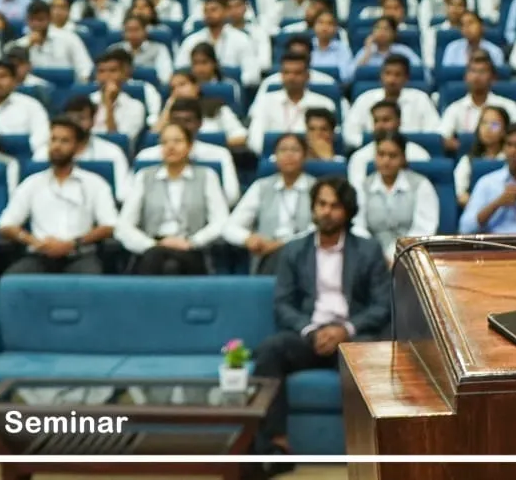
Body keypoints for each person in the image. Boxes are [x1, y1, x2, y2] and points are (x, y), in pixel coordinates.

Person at [251, 178, 391, 460]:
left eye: (335, 206)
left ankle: (371, 449)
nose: (326, 211)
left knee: (374, 356)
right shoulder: (294, 250)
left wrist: (345, 330)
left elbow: (382, 304)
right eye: (321, 204)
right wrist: (312, 330)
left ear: (348, 212)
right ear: (313, 208)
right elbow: (283, 304)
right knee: (270, 351)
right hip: (310, 336)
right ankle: (275, 445)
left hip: (352, 338)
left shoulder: (368, 250)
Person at [0, 120, 118, 275]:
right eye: (53, 139)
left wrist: (73, 243)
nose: (57, 146)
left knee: (91, 283)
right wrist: (35, 242)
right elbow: (6, 224)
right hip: (40, 254)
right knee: (12, 282)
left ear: (78, 148)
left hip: (80, 255)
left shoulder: (95, 183)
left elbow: (109, 225)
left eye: (64, 141)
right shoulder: (32, 183)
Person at [114, 120, 229, 275]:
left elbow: (220, 221)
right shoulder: (144, 177)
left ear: (190, 146)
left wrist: (193, 242)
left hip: (191, 248)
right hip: (152, 247)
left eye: (177, 141)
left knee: (171, 265)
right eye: (165, 142)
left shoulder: (207, 176)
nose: (170, 147)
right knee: (159, 259)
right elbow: (124, 225)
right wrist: (153, 244)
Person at [223, 132, 316, 274]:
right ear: (274, 157)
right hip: (266, 258)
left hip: (307, 257)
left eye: (295, 150)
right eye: (283, 150)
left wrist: (280, 244)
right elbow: (230, 227)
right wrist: (248, 239)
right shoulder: (261, 187)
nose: (289, 155)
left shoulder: (317, 188)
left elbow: (318, 230)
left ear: (305, 156)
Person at [352, 129, 441, 263]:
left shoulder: (421, 185)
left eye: (392, 155)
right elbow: (358, 227)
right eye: (381, 154)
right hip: (371, 257)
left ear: (403, 158)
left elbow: (425, 227)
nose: (386, 160)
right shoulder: (363, 186)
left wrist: (396, 253)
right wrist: (376, 254)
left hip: (412, 255)